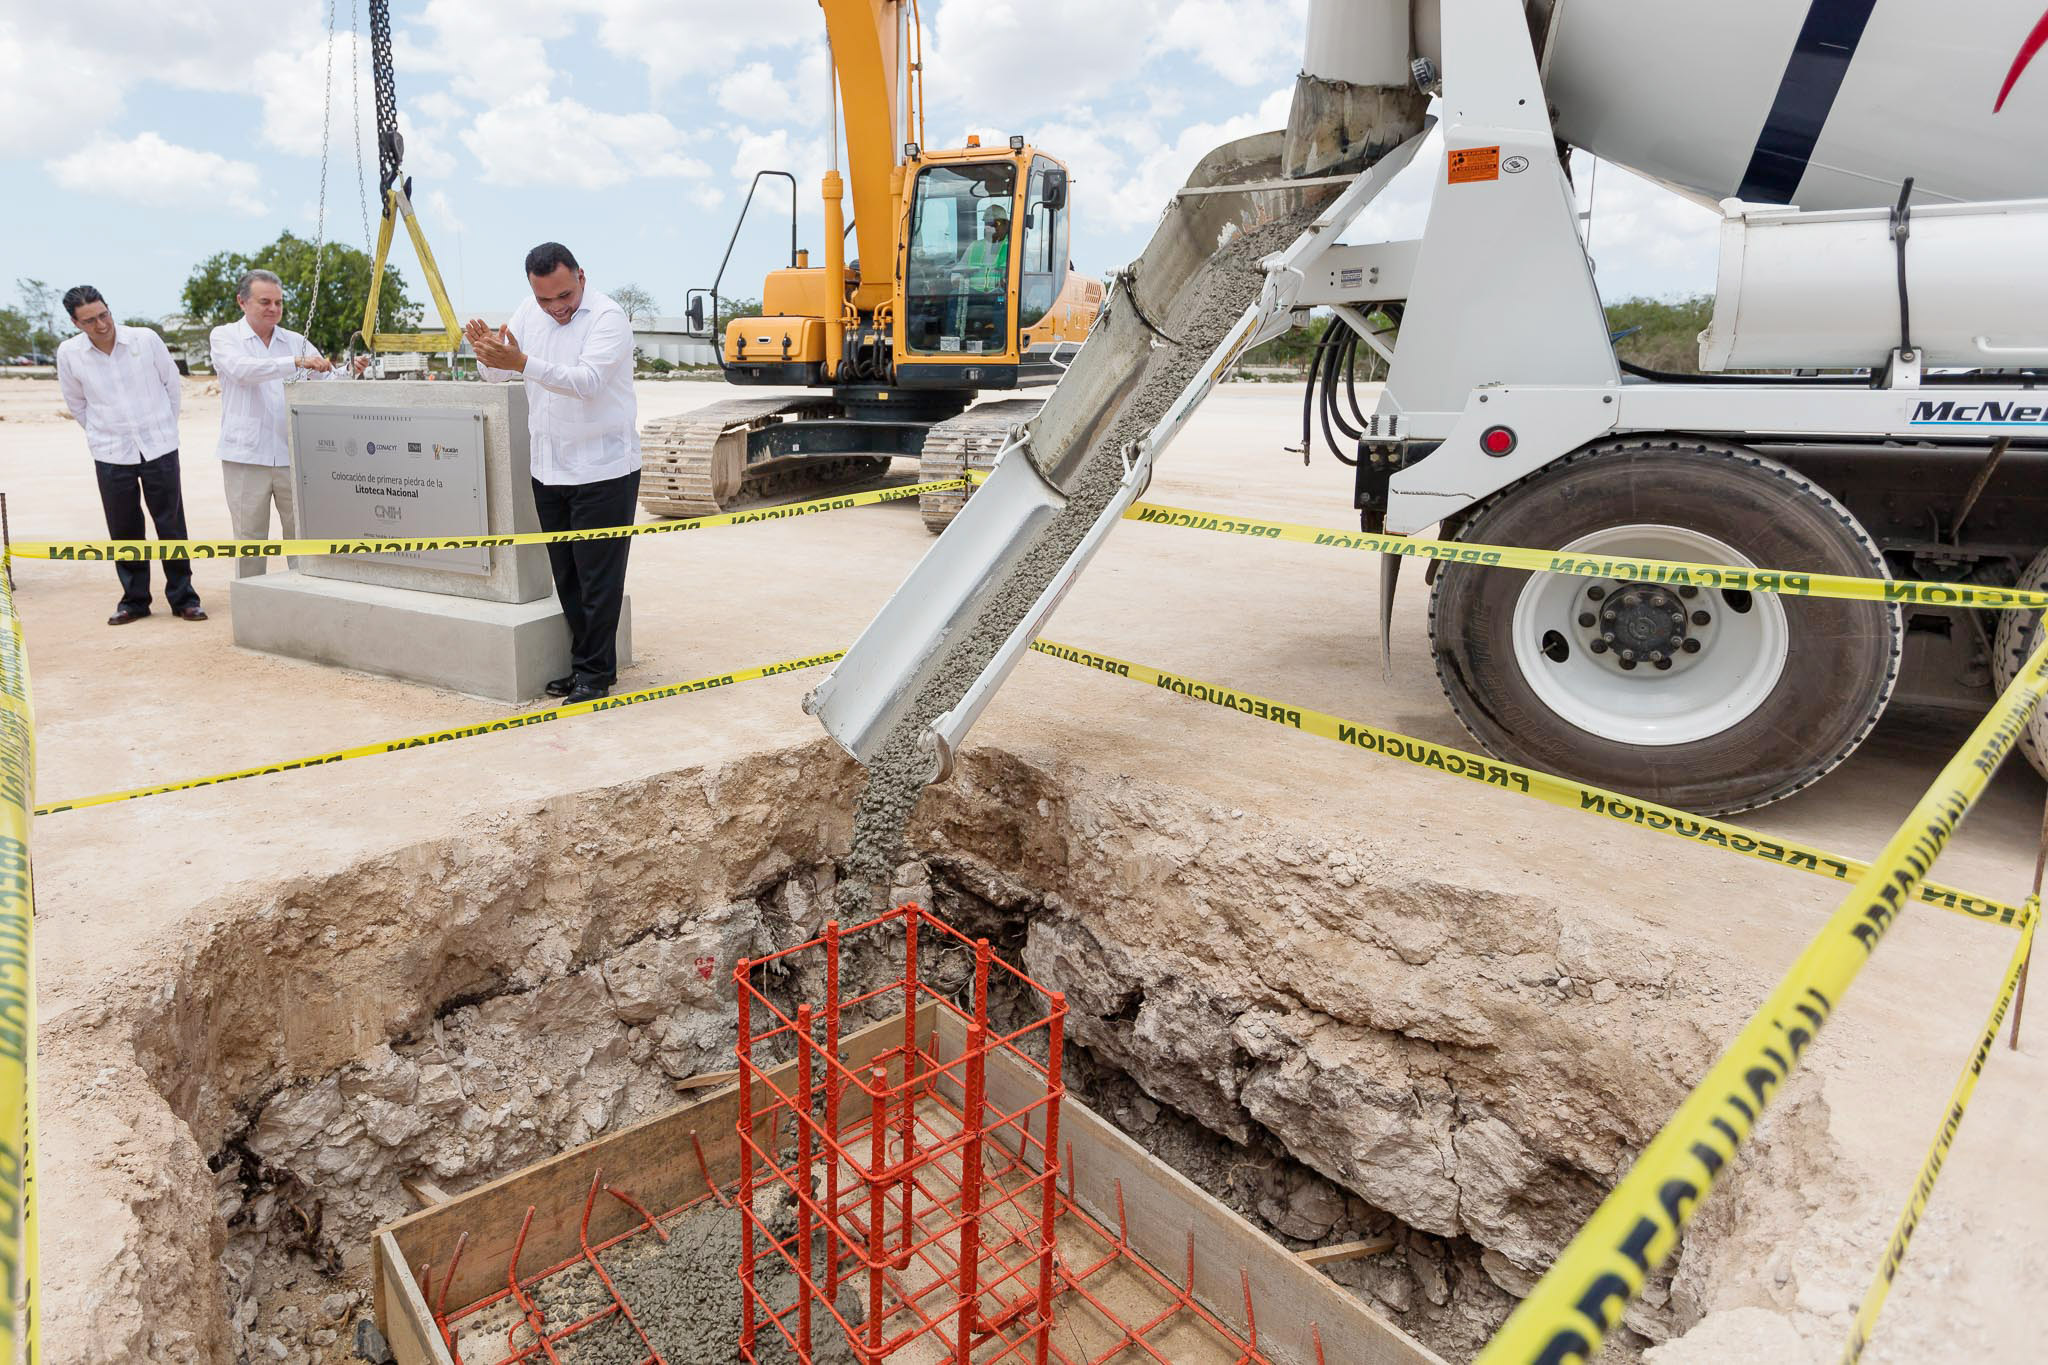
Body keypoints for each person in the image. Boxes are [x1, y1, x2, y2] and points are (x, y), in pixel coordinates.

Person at [465, 243, 641, 704]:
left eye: (563, 295)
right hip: (549, 469)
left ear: (581, 276)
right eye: (545, 300)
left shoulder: (608, 317)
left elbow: (587, 383)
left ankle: (594, 675)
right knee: (567, 577)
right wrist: (489, 355)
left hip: (604, 469)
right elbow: (496, 379)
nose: (556, 308)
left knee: (598, 579)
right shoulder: (528, 311)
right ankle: (587, 665)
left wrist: (520, 362)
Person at [55, 286, 206, 625]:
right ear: (75, 323)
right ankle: (135, 601)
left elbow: (172, 385)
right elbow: (76, 403)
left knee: (171, 525)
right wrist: (101, 433)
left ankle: (184, 598)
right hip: (110, 452)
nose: (102, 324)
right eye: (91, 320)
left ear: (109, 308)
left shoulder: (145, 340)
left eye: (104, 314)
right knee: (124, 529)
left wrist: (164, 427)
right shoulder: (69, 354)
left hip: (159, 447)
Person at [208, 269, 367, 576]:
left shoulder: (296, 340)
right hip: (246, 456)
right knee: (249, 539)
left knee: (301, 535)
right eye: (265, 302)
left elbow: (326, 382)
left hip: (293, 455)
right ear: (242, 302)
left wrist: (350, 370)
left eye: (279, 303)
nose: (274, 309)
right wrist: (294, 362)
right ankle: (253, 602)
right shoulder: (225, 336)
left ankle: (304, 597)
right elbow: (243, 371)